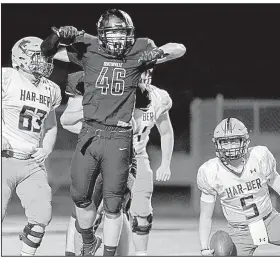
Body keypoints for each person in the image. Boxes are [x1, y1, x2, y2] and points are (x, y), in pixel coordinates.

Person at [41, 8, 185, 256]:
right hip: (95, 138)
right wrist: (58, 35)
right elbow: (52, 53)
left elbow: (178, 48)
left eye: (122, 33)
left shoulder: (147, 72)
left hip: (128, 146)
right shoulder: (89, 53)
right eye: (113, 32)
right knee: (82, 202)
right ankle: (81, 247)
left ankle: (123, 253)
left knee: (121, 208)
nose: (118, 38)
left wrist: (158, 53)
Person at [60, 71, 174, 256]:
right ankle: (75, 252)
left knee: (127, 211)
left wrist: (165, 163)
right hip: (97, 150)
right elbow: (66, 120)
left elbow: (160, 130)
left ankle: (135, 254)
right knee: (83, 207)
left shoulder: (157, 97)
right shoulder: (101, 88)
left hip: (133, 154)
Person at [197, 118, 280, 256]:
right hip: (240, 230)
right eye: (224, 142)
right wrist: (204, 246)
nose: (230, 146)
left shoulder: (259, 157)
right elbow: (206, 216)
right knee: (222, 254)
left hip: (270, 219)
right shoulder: (210, 171)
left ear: (245, 141)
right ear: (217, 144)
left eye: (234, 140)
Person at [2, 36, 62, 256]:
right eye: (38, 56)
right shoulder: (7, 77)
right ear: (20, 58)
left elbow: (51, 125)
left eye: (46, 56)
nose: (44, 61)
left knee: (42, 216)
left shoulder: (51, 89)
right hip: (3, 158)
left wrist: (46, 149)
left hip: (31, 162)